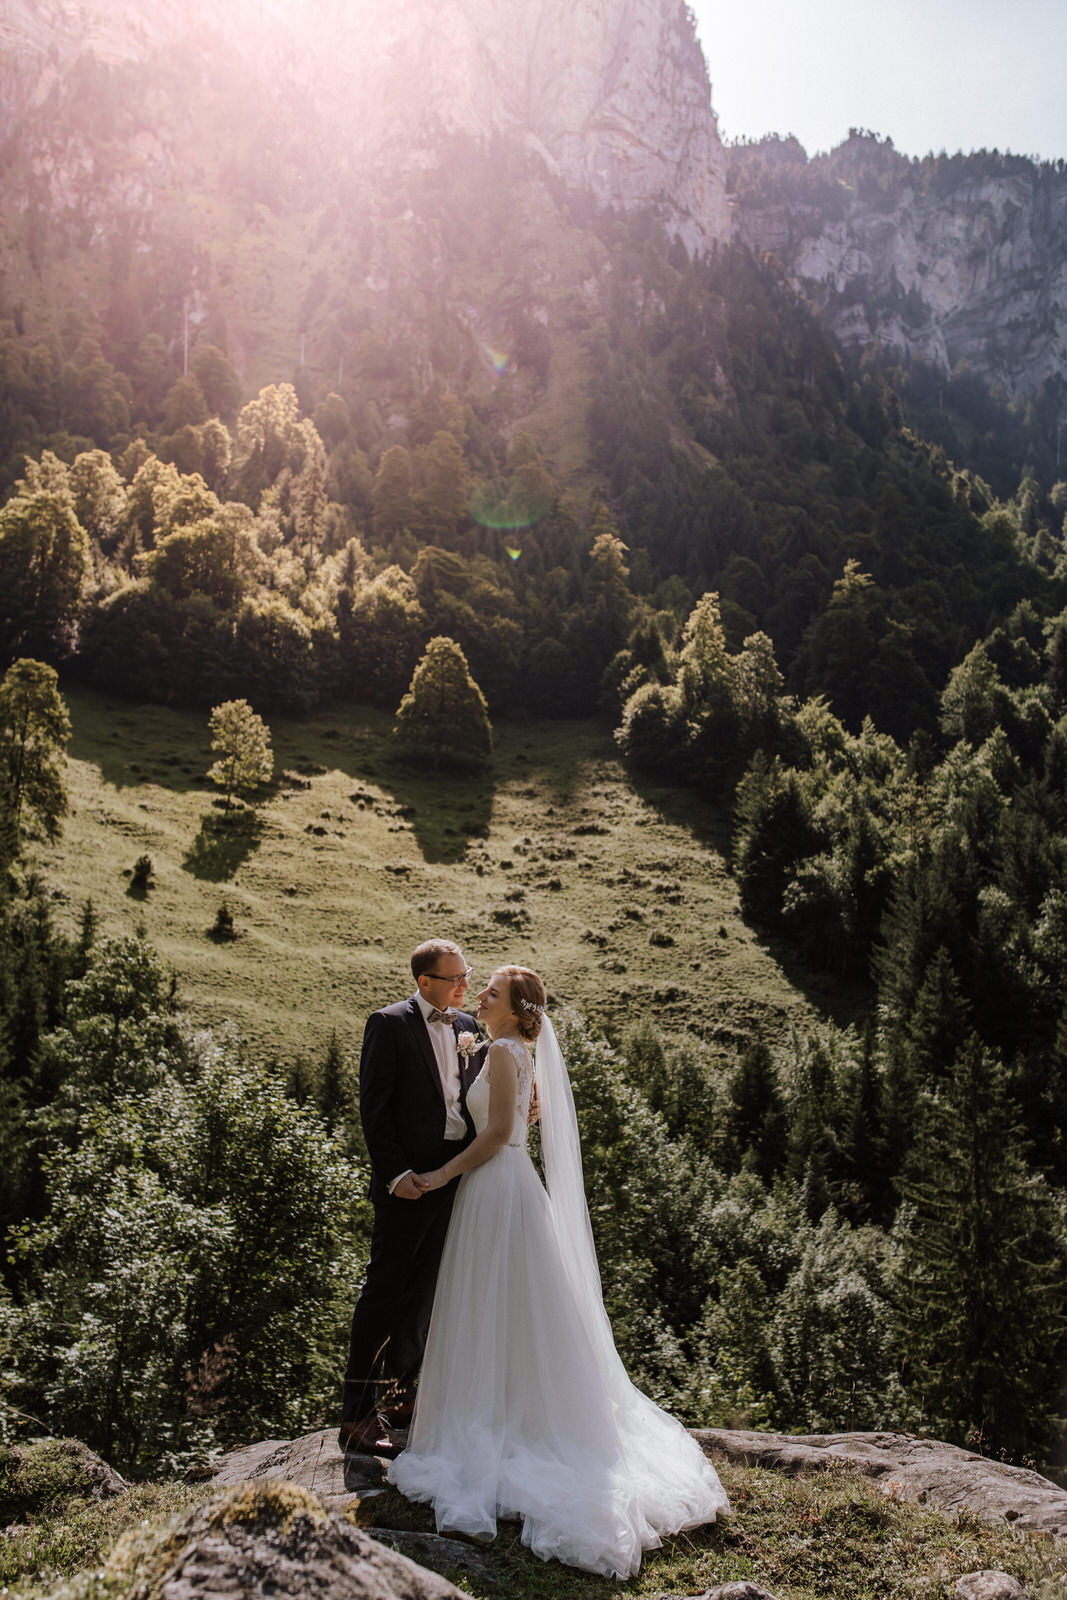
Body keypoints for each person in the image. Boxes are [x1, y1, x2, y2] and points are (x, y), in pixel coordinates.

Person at [388, 965, 730, 1578]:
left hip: (495, 1186)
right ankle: (515, 1410)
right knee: (515, 1304)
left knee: (494, 1300)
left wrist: (440, 1175)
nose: (479, 996)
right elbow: (519, 1117)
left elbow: (498, 1134)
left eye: (491, 992)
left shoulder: (502, 1051)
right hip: (509, 1187)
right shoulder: (511, 1050)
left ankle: (498, 1420)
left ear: (516, 1008)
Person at [338, 939, 483, 1458]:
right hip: (407, 1184)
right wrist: (396, 1174)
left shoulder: (468, 1027)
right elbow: (374, 1108)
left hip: (454, 1179)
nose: (465, 985)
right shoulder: (389, 1023)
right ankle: (355, 1417)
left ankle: (399, 1399)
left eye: (466, 975)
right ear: (425, 982)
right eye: (455, 977)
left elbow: (472, 1101)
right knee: (384, 1294)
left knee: (425, 1296)